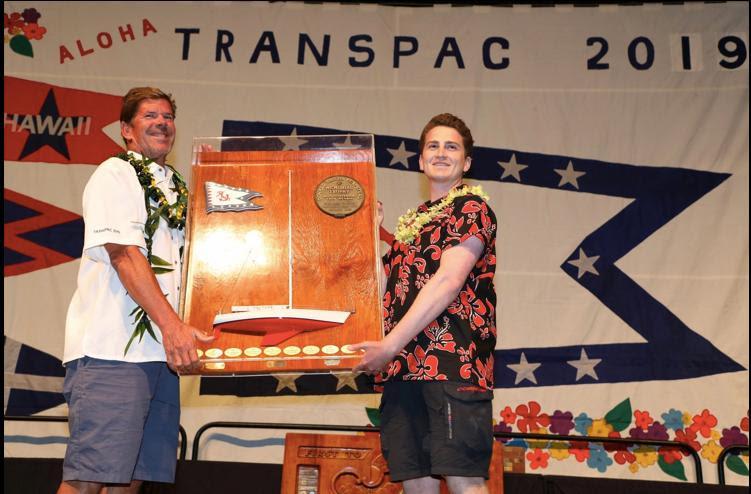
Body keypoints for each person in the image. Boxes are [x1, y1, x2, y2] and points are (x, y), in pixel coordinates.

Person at [58, 87, 214, 494]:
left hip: (158, 354)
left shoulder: (175, 186)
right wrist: (174, 328)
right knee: (89, 477)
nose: (162, 122)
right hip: (113, 351)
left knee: (131, 478)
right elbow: (125, 254)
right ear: (127, 129)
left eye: (167, 116)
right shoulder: (117, 173)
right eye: (149, 116)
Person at [353, 113, 497, 494]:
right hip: (403, 368)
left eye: (452, 146)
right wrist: (364, 236)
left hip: (453, 364)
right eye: (432, 146)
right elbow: (386, 292)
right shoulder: (412, 222)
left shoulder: (471, 209)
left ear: (466, 163)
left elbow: (449, 282)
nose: (441, 153)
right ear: (420, 160)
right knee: (415, 480)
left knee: (464, 479)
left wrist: (388, 345)